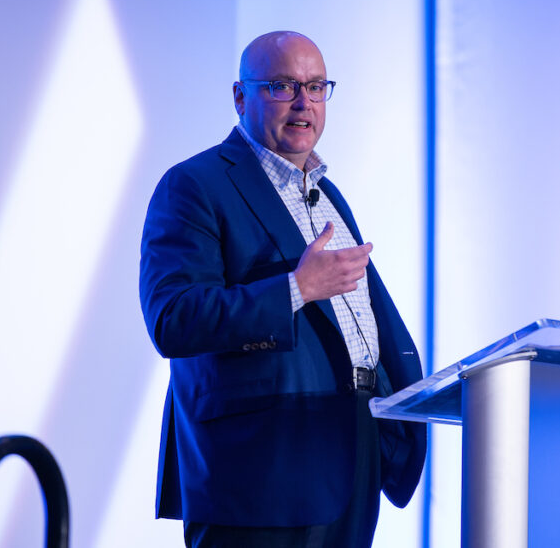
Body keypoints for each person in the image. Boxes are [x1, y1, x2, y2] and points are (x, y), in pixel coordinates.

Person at [139, 31, 426, 547]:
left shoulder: (326, 192)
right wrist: (296, 288)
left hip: (349, 451)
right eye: (282, 85)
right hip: (258, 472)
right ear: (240, 97)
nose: (303, 102)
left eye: (316, 87)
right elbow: (173, 318)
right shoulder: (195, 185)